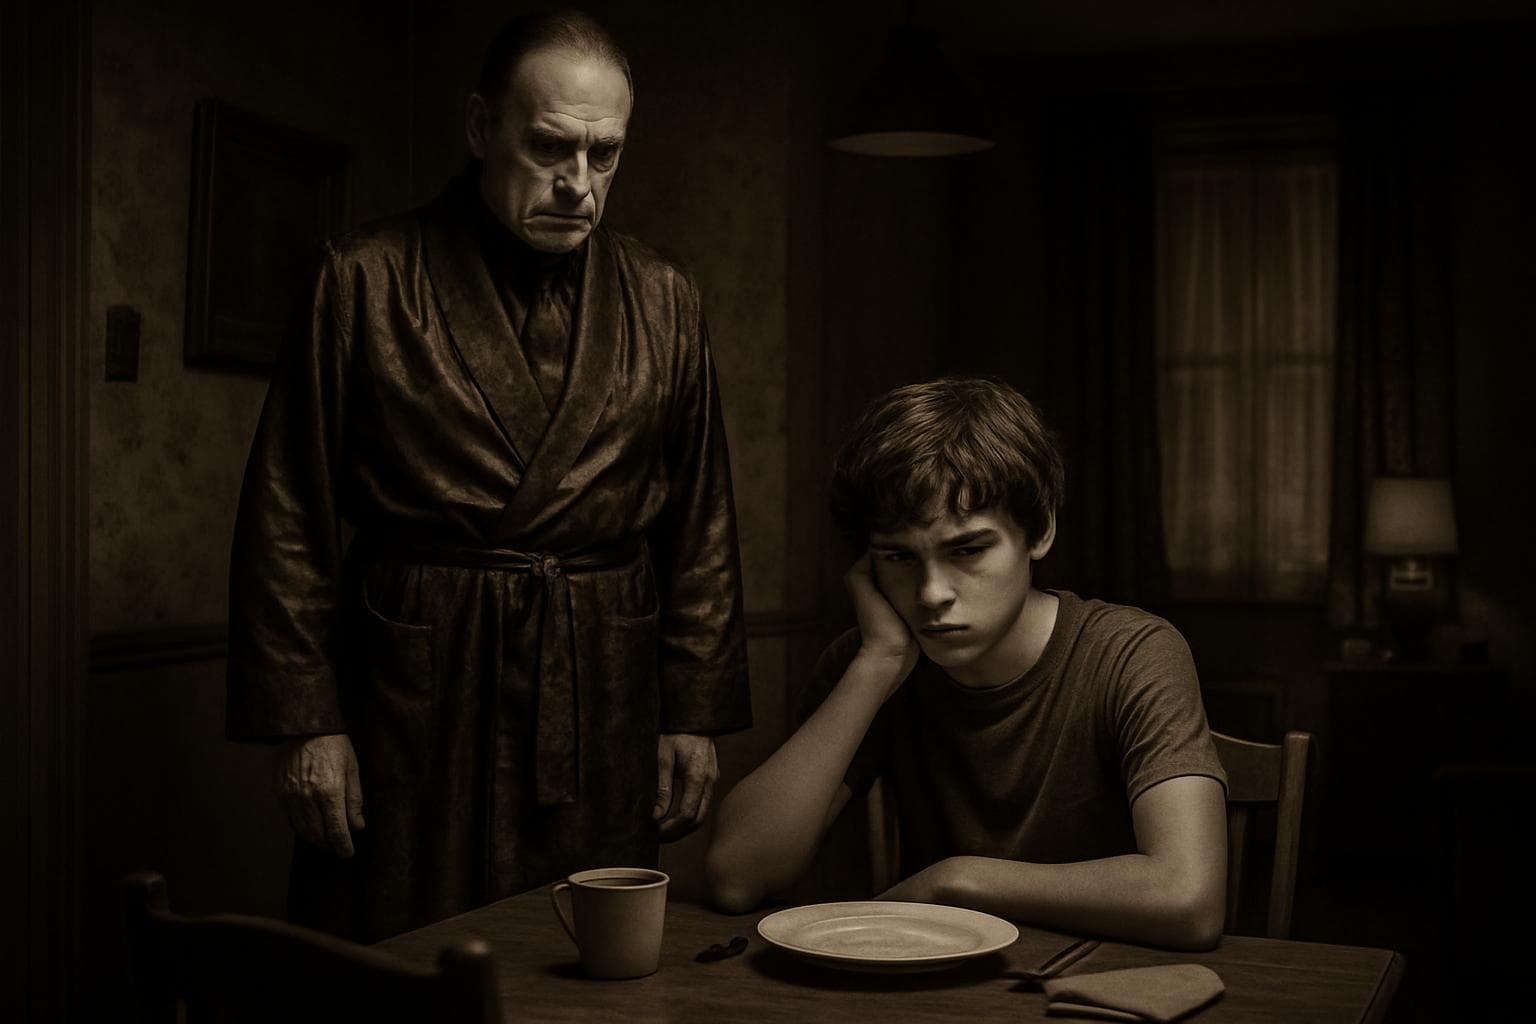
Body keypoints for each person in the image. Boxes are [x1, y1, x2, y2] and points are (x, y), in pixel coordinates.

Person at [226, 8, 750, 942]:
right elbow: (288, 512)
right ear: (480, 130)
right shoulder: (364, 280)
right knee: (400, 946)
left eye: (605, 155)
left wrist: (693, 714)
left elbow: (701, 523)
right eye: (550, 147)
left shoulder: (665, 300)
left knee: (587, 958)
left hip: (603, 679)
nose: (578, 184)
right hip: (418, 681)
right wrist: (307, 726)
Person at [704, 376, 1226, 951]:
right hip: (934, 987)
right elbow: (737, 877)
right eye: (899, 557)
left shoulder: (1132, 653)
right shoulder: (874, 661)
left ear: (1041, 529)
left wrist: (956, 879)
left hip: (1101, 983)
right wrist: (877, 663)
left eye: (968, 550)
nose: (931, 593)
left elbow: (1188, 899)